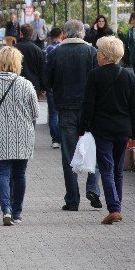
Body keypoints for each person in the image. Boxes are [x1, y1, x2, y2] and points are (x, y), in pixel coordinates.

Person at [80, 36, 135, 225]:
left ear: (105, 55)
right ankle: (117, 207)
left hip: (102, 129)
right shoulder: (128, 75)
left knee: (106, 168)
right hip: (123, 129)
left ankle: (114, 208)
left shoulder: (94, 76)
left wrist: (82, 129)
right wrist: (134, 134)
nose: (96, 55)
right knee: (118, 170)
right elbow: (134, 107)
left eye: (99, 52)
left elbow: (87, 106)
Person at [44, 20, 102, 211]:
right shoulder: (92, 53)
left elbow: (47, 81)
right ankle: (93, 187)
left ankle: (72, 199)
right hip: (90, 109)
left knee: (68, 154)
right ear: (82, 34)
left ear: (64, 34)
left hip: (66, 108)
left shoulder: (55, 54)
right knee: (93, 148)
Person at [0, 47, 39, 225]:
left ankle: (6, 209)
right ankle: (17, 212)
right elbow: (35, 112)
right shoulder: (26, 84)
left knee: (2, 172)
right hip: (23, 135)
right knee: (20, 174)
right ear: (17, 63)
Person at [44, 27, 63, 149]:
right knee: (63, 113)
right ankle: (63, 137)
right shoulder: (64, 48)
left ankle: (55, 140)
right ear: (62, 35)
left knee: (52, 114)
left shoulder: (46, 50)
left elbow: (45, 69)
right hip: (63, 85)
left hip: (51, 86)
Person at [13, 23, 46, 95]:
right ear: (32, 34)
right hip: (33, 85)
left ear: (21, 33)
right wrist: (43, 87)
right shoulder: (37, 50)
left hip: (16, 85)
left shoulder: (13, 49)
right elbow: (42, 70)